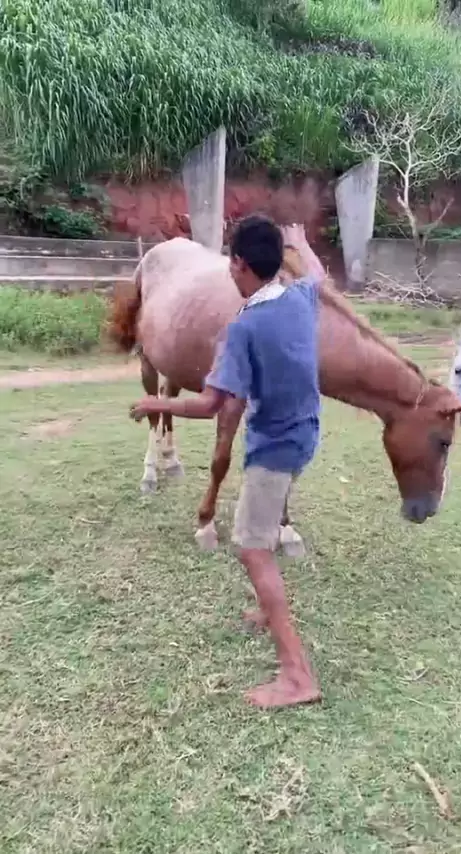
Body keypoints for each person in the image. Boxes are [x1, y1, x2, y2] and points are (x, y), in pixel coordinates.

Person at [130, 214, 322, 708]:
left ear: (238, 265)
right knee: (262, 534)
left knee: (253, 549)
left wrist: (156, 403)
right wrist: (302, 243)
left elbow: (210, 404)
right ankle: (266, 611)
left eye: (231, 264)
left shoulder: (244, 327)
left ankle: (298, 676)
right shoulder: (301, 297)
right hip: (306, 437)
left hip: (273, 450)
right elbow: (319, 273)